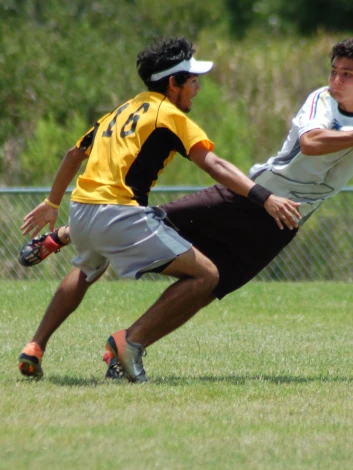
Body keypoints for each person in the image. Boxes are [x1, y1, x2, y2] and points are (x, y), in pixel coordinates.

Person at [21, 36, 353, 380]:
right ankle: (69, 247)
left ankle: (124, 339)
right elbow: (314, 143)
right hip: (252, 196)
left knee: (209, 284)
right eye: (334, 71)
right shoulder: (321, 102)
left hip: (284, 221)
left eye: (347, 75)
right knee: (167, 238)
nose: (337, 80)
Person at [17, 36, 302, 384]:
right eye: (192, 80)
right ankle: (129, 343)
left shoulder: (119, 110)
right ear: (173, 83)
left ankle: (35, 345)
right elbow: (212, 163)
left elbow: (72, 155)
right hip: (119, 214)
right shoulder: (166, 113)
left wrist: (51, 204)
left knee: (88, 268)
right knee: (207, 276)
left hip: (81, 210)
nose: (197, 87)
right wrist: (264, 197)